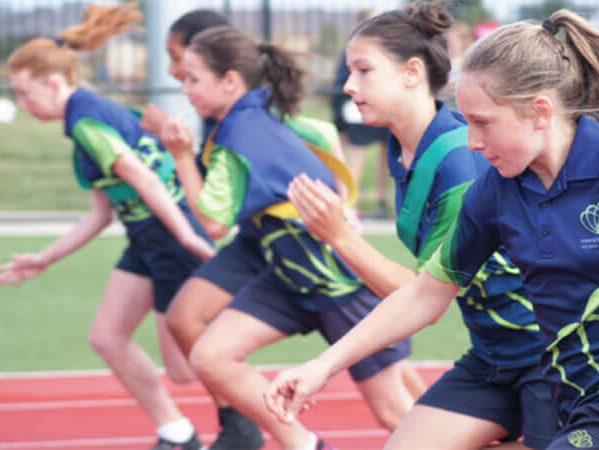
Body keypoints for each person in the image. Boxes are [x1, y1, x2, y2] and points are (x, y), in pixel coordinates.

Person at [267, 8, 599, 450]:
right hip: (571, 398)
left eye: (482, 123)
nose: (472, 141)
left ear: (540, 111)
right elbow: (426, 294)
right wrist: (322, 367)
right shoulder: (495, 192)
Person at [267, 4, 558, 449]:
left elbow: (425, 293)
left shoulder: (460, 162)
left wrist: (339, 236)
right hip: (494, 354)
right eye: (349, 71)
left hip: (547, 356)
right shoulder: (403, 148)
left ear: (412, 72)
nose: (348, 85)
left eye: (364, 70)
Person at [157, 24, 423, 450]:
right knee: (211, 356)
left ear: (230, 82)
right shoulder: (261, 116)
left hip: (338, 284)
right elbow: (320, 136)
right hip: (287, 277)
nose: (183, 88)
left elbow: (212, 224)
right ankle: (303, 444)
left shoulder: (237, 139)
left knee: (396, 412)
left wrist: (180, 157)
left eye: (192, 79)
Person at [0, 4, 217, 450]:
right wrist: (45, 258)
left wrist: (187, 234)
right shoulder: (84, 128)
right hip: (145, 238)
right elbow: (101, 213)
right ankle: (177, 432)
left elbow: (144, 177)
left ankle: (260, 393)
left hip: (169, 236)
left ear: (55, 83)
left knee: (185, 369)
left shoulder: (87, 120)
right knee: (107, 336)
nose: (22, 105)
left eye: (24, 93)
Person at [139, 10, 266, 449]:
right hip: (254, 240)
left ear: (223, 75)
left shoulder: (247, 120)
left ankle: (250, 424)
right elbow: (213, 198)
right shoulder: (222, 117)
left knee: (383, 387)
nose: (175, 76)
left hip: (291, 246)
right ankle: (242, 425)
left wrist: (175, 150)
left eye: (185, 68)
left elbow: (212, 219)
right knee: (186, 321)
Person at [331, 8, 392, 220]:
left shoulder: (384, 50)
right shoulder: (353, 49)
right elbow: (341, 83)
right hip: (358, 109)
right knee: (358, 154)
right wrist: (339, 118)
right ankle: (349, 203)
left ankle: (382, 201)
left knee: (388, 154)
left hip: (382, 105)